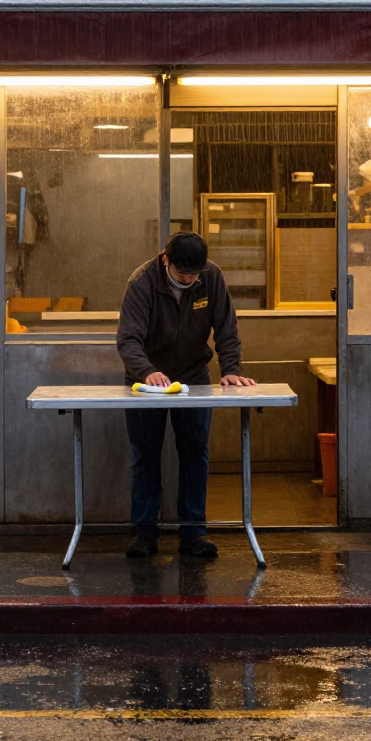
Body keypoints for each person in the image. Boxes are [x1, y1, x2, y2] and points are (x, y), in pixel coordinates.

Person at [116, 231, 256, 560]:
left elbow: (227, 327)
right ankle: (144, 533)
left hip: (193, 376)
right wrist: (147, 371)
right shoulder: (141, 282)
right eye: (183, 274)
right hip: (147, 381)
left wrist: (230, 369)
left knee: (195, 453)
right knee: (145, 455)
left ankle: (193, 532)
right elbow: (128, 339)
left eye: (195, 274)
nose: (190, 279)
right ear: (166, 260)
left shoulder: (211, 277)